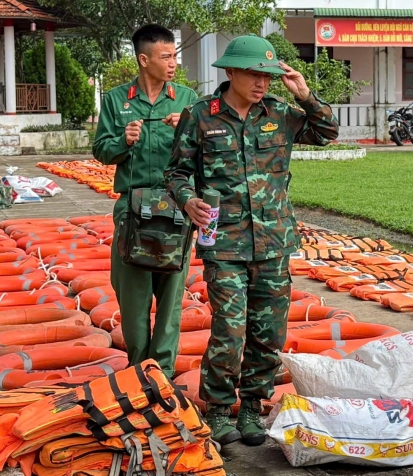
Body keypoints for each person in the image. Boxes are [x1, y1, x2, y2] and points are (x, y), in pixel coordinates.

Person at [165, 35, 339, 447]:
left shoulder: (279, 113)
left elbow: (327, 131)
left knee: (269, 333)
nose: (262, 83)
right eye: (253, 74)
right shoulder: (201, 116)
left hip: (274, 241)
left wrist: (306, 93)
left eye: (268, 75)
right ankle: (221, 410)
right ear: (231, 72)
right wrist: (188, 201)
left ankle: (251, 408)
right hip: (224, 242)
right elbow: (175, 173)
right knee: (229, 329)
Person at [92, 24, 198, 377]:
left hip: (176, 208)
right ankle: (139, 371)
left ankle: (163, 374)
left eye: (174, 56)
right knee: (133, 295)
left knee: (171, 297)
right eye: (166, 56)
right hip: (132, 209)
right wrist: (124, 140)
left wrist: (185, 128)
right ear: (143, 59)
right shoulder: (115, 100)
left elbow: (206, 151)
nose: (173, 63)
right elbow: (101, 152)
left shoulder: (186, 101)